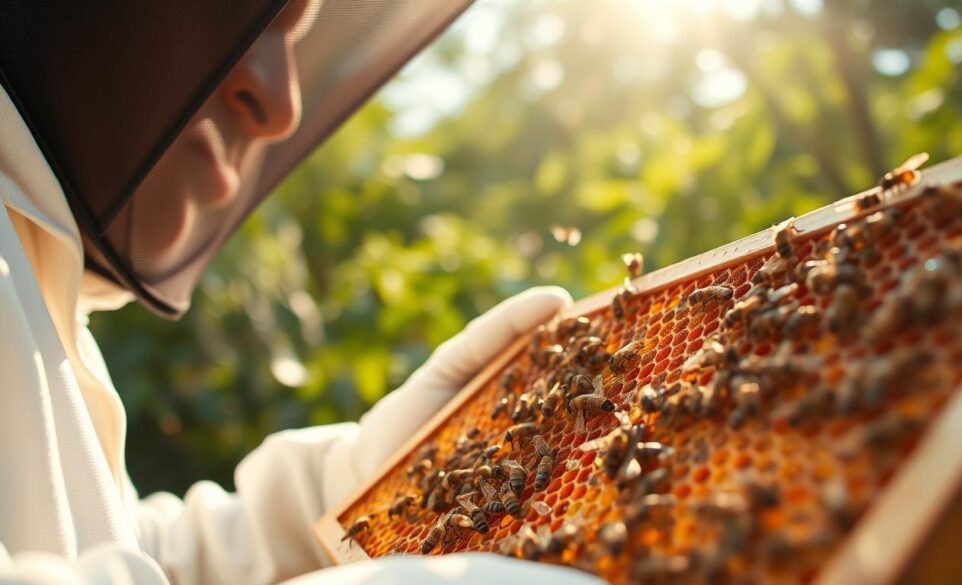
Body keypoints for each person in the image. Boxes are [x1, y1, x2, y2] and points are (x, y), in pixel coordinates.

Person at [0, 1, 601, 583]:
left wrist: (349, 486)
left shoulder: (32, 284)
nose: (284, 105)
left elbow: (116, 549)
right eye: (241, 16)